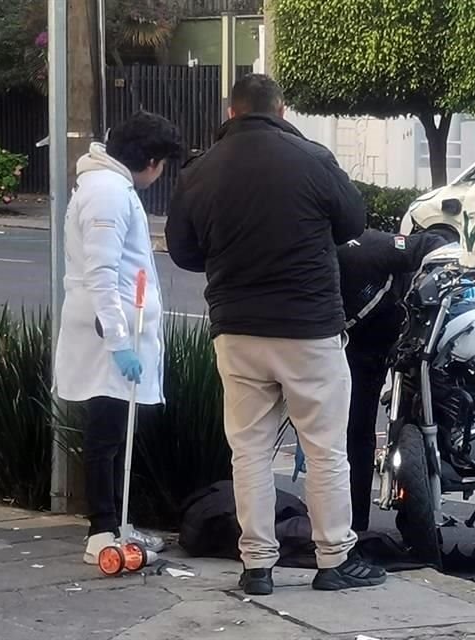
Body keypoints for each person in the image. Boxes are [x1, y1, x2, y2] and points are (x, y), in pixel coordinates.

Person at [165, 73, 386, 596]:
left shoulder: (200, 171)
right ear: (281, 111)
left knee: (250, 452)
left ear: (231, 111)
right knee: (327, 449)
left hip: (237, 331)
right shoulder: (312, 158)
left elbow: (184, 252)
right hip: (309, 330)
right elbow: (353, 224)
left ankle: (257, 565)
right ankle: (333, 559)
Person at [53, 111, 182, 564]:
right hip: (108, 334)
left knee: (113, 433)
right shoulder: (107, 193)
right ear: (149, 159)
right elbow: (102, 274)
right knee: (107, 435)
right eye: (162, 162)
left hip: (114, 328)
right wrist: (119, 342)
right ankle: (101, 530)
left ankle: (113, 523)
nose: (161, 172)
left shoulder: (109, 188)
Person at [336, 229, 450, 532]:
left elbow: (431, 243)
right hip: (348, 347)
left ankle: (381, 516)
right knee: (353, 432)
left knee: (407, 414)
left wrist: (431, 280)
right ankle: (354, 523)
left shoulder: (367, 249)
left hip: (400, 330)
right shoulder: (303, 263)